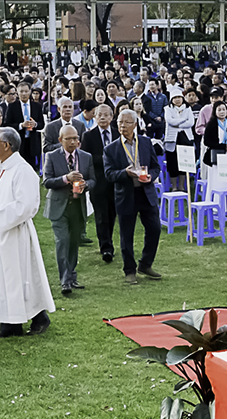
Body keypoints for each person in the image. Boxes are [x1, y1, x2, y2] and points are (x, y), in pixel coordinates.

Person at [0, 128, 55, 336]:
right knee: (3, 277)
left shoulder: (23, 171)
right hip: (1, 229)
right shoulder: (0, 167)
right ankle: (10, 322)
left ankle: (38, 317)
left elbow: (27, 205)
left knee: (21, 277)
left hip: (16, 231)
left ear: (6, 145)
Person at [104, 110, 162, 286]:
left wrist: (151, 177)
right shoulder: (111, 148)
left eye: (127, 122)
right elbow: (108, 174)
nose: (122, 126)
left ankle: (145, 264)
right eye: (120, 122)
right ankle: (129, 270)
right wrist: (125, 173)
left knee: (155, 229)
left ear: (135, 125)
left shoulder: (145, 142)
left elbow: (155, 166)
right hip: (126, 195)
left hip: (146, 192)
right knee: (126, 235)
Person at [42, 125, 93, 297]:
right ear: (60, 140)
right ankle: (65, 280)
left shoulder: (86, 157)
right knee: (62, 241)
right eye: (68, 139)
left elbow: (93, 180)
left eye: (75, 138)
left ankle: (71, 275)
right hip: (59, 206)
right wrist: (66, 179)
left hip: (78, 207)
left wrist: (86, 185)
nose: (73, 142)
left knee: (73, 243)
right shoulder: (52, 156)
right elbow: (47, 181)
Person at [80, 104, 118, 265]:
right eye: (99, 115)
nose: (102, 117)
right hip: (98, 181)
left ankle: (109, 240)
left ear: (111, 117)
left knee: (112, 214)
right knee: (101, 216)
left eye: (106, 115)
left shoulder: (117, 133)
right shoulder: (88, 136)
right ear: (95, 117)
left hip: (115, 182)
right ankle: (106, 247)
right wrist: (104, 158)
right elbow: (85, 158)